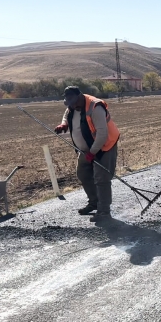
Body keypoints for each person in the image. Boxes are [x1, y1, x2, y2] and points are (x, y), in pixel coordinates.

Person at [54, 86, 120, 225]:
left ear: (79, 96)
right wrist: (63, 124)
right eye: (69, 103)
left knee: (101, 179)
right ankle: (94, 203)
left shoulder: (95, 107)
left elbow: (102, 135)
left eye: (73, 102)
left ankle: (104, 212)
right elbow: (67, 114)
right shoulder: (73, 106)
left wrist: (93, 152)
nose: (71, 106)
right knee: (83, 174)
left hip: (104, 147)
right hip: (87, 149)